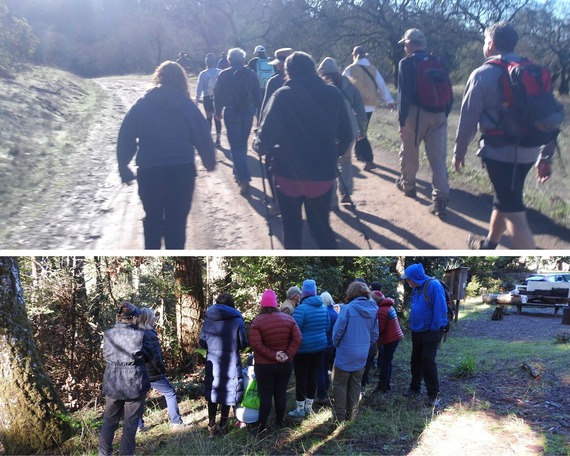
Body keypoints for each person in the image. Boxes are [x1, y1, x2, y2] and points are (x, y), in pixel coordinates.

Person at [453, 22, 556, 250]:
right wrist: (545, 156)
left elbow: (468, 119)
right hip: (529, 151)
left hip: (499, 154)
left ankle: (529, 255)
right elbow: (548, 117)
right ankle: (489, 244)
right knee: (506, 200)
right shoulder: (534, 72)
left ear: (490, 44)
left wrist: (459, 152)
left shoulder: (483, 74)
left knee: (514, 212)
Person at [254, 51, 353, 249]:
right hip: (322, 175)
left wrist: (257, 145)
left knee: (291, 228)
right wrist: (333, 153)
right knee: (321, 228)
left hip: (288, 175)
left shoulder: (282, 95)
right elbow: (347, 134)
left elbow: (264, 141)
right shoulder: (333, 93)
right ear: (313, 69)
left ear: (287, 72)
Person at [117, 60, 216, 250]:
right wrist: (208, 160)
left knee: (152, 220)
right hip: (181, 173)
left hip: (150, 173)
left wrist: (124, 165)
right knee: (177, 224)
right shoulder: (187, 107)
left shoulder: (142, 105)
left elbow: (126, 135)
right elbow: (202, 134)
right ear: (182, 81)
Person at [396, 28, 452, 219]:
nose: (404, 47)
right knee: (438, 158)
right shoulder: (437, 62)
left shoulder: (407, 63)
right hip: (439, 114)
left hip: (416, 113)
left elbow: (404, 95)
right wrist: (444, 113)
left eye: (405, 44)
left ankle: (409, 186)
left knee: (410, 152)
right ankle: (440, 199)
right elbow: (449, 91)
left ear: (410, 44)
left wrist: (402, 121)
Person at [99, 302, 156, 456]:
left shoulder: (108, 334)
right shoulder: (140, 334)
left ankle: (104, 454)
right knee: (130, 424)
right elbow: (149, 355)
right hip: (134, 382)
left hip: (113, 382)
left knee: (109, 421)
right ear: (134, 318)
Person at [248, 289, 302, 433]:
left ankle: (261, 425)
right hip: (285, 364)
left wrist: (273, 355)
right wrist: (287, 354)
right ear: (276, 304)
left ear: (262, 305)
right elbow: (298, 339)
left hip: (264, 366)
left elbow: (256, 345)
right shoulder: (289, 319)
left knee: (265, 394)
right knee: (280, 393)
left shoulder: (257, 322)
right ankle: (279, 422)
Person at [318, 57, 367, 208]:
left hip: (328, 130)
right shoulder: (349, 84)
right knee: (346, 160)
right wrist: (362, 130)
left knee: (329, 163)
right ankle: (346, 191)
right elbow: (360, 110)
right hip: (349, 128)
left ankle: (332, 200)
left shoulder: (320, 86)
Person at [199, 292, 248, 437]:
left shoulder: (208, 319)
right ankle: (223, 424)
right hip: (230, 362)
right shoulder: (237, 320)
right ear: (232, 304)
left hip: (213, 362)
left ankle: (211, 425)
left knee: (213, 392)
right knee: (227, 392)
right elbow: (243, 342)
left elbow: (202, 342)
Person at [214, 48, 262, 195]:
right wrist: (259, 115)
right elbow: (258, 95)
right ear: (243, 59)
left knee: (236, 146)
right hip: (248, 112)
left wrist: (217, 112)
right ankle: (238, 171)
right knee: (242, 144)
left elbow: (218, 94)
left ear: (229, 60)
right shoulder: (252, 74)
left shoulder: (224, 74)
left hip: (231, 111)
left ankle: (244, 178)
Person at [401, 263, 448, 407]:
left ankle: (434, 395)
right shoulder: (416, 288)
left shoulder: (433, 285)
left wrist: (434, 328)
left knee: (427, 360)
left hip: (431, 331)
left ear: (415, 277)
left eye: (408, 279)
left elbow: (441, 309)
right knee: (415, 360)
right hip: (417, 331)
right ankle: (414, 388)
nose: (407, 281)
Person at [331, 281, 379, 422]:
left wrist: (337, 345)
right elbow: (375, 335)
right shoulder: (374, 309)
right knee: (355, 384)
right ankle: (352, 416)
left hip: (345, 353)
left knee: (340, 385)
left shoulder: (347, 309)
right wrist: (364, 344)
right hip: (362, 354)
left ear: (351, 293)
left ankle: (339, 418)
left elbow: (337, 333)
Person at [343, 45, 395, 171]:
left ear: (354, 55)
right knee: (361, 129)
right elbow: (381, 85)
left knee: (361, 132)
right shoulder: (373, 69)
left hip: (356, 105)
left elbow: (342, 85)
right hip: (370, 104)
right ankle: (359, 154)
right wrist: (389, 100)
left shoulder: (350, 69)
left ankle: (368, 159)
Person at [136, 308, 185, 431]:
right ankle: (176, 423)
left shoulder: (135, 332)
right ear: (148, 318)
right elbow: (155, 356)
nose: (155, 319)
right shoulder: (149, 333)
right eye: (153, 316)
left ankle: (138, 426)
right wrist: (161, 370)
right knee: (170, 393)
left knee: (139, 399)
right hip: (153, 372)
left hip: (140, 373)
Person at [289, 279, 330, 417]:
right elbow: (327, 327)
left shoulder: (301, 309)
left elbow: (294, 330)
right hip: (320, 347)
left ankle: (300, 409)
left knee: (301, 378)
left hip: (303, 350)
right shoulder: (323, 307)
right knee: (313, 376)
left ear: (303, 293)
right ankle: (309, 407)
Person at [373, 296, 404, 394]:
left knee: (385, 362)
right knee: (388, 361)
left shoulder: (382, 310)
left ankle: (382, 386)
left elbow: (380, 328)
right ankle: (386, 385)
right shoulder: (388, 306)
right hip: (394, 337)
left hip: (390, 339)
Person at [316, 291, 338, 405]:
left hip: (323, 344)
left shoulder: (324, 312)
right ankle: (326, 388)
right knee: (326, 368)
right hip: (332, 345)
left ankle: (321, 394)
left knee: (320, 370)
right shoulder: (335, 313)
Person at [196, 52, 223, 146]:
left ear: (206, 62)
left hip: (207, 98)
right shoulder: (220, 72)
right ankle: (218, 139)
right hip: (218, 98)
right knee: (218, 118)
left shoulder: (203, 74)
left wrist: (197, 100)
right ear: (215, 62)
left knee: (208, 118)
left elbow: (199, 88)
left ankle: (209, 138)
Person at [248, 45, 275, 115]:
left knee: (258, 105)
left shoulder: (253, 61)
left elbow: (248, 74)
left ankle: (259, 120)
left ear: (257, 53)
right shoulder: (271, 60)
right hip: (269, 86)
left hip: (257, 87)